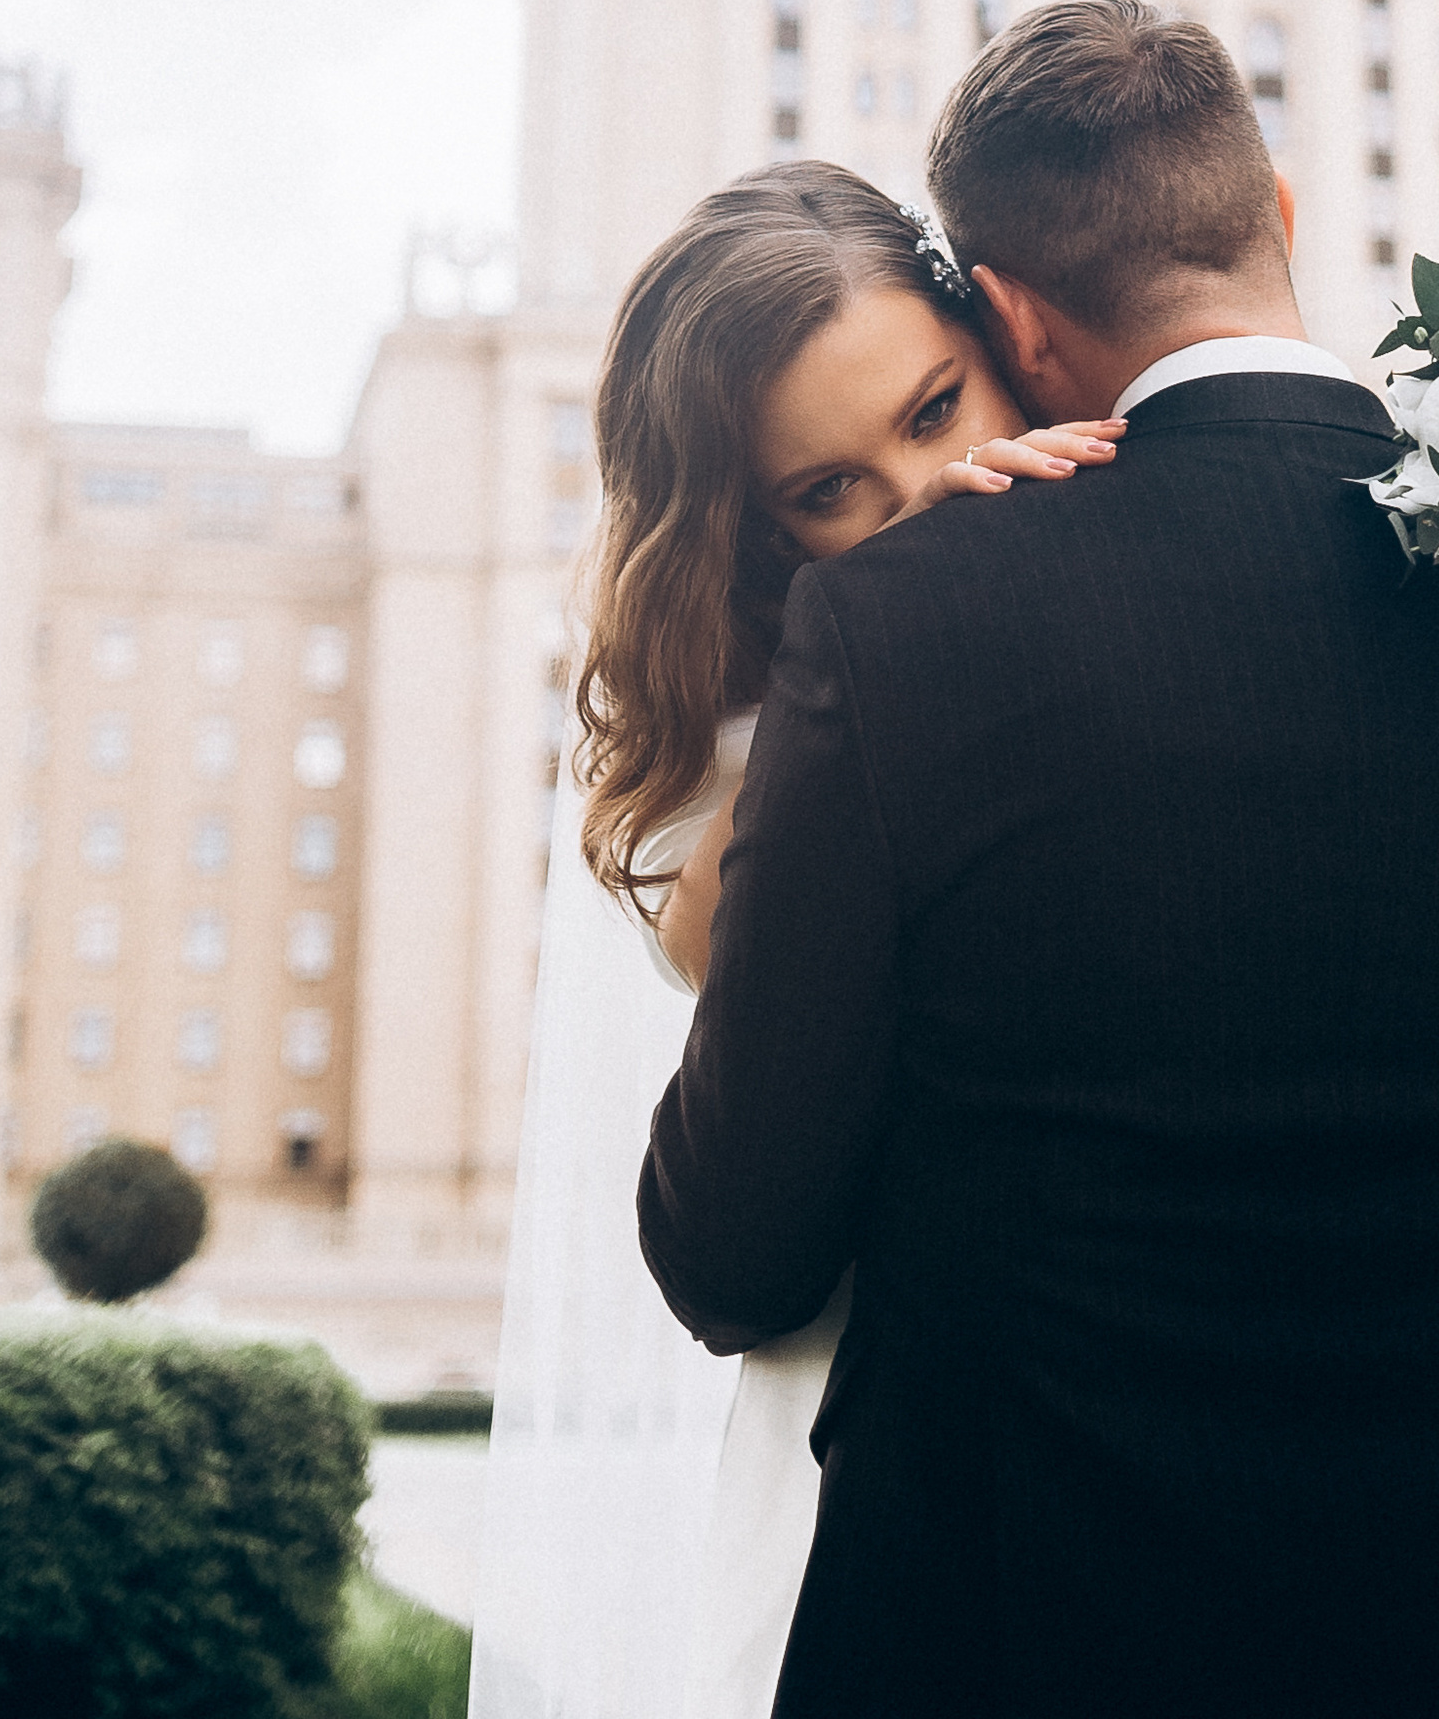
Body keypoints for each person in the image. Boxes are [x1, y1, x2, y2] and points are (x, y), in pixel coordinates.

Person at [638, 0, 1439, 1719]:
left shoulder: (888, 641)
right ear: (1279, 212)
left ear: (1003, 316)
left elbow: (733, 1258)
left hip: (1032, 1632)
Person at [468, 164, 1118, 1719]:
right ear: (752, 540)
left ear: (999, 342)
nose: (919, 495)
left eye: (933, 409)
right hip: (889, 1472)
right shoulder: (744, 766)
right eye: (830, 490)